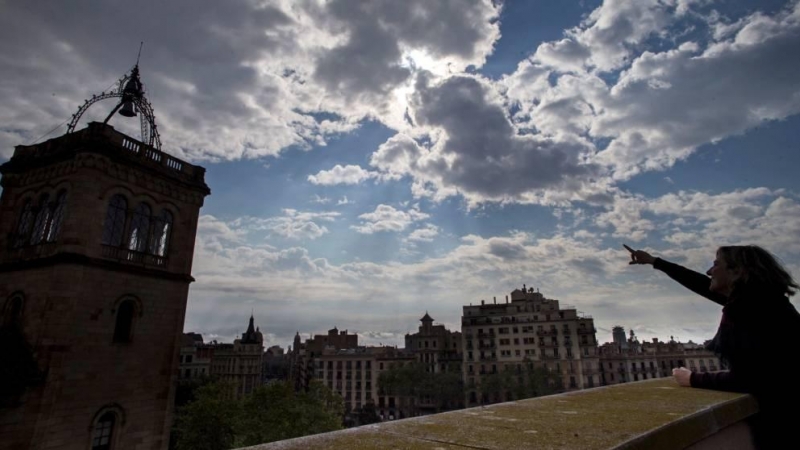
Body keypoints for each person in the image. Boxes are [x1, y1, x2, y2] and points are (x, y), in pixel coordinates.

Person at [625, 244, 800, 449]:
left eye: (716, 265)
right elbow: (699, 283)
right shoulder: (765, 301)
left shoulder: (746, 309)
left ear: (737, 272)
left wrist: (692, 378)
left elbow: (750, 378)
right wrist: (654, 261)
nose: (709, 271)